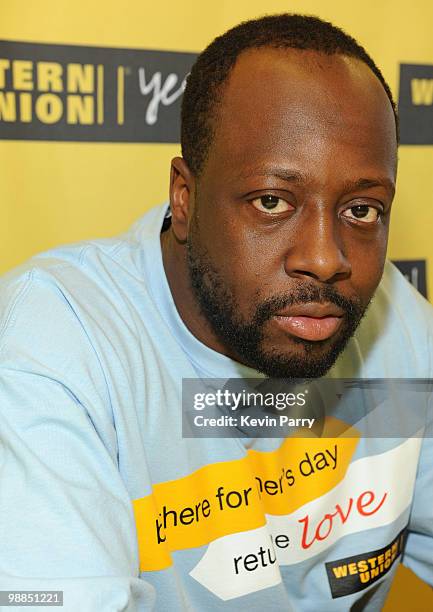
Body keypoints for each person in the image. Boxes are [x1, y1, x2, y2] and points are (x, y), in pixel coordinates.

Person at [0, 13, 432, 612]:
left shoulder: (394, 324)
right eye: (273, 201)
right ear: (185, 196)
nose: (326, 259)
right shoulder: (55, 346)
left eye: (361, 210)